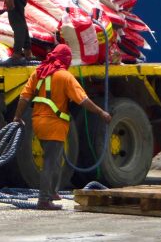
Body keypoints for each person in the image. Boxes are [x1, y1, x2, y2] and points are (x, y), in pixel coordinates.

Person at [12, 44, 111, 210]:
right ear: (66, 59)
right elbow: (82, 100)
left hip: (38, 123)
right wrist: (101, 113)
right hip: (55, 125)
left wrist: (17, 116)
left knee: (56, 158)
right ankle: (44, 200)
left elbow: (24, 96)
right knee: (50, 162)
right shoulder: (65, 77)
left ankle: (52, 192)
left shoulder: (39, 73)